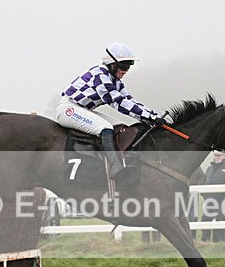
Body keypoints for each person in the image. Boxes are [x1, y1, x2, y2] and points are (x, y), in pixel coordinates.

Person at [57, 43, 171, 181]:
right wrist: (148, 116)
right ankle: (116, 168)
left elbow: (129, 101)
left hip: (83, 109)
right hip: (69, 109)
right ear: (112, 64)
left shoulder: (115, 81)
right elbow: (117, 102)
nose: (126, 70)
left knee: (120, 127)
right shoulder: (99, 75)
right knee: (105, 128)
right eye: (123, 66)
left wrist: (153, 116)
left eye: (129, 66)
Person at [201, 152, 225, 242]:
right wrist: (206, 196)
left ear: (224, 156)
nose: (217, 158)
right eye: (216, 156)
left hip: (223, 201)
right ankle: (205, 241)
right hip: (210, 201)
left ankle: (219, 242)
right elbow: (204, 182)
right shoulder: (210, 169)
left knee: (220, 221)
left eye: (219, 156)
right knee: (206, 220)